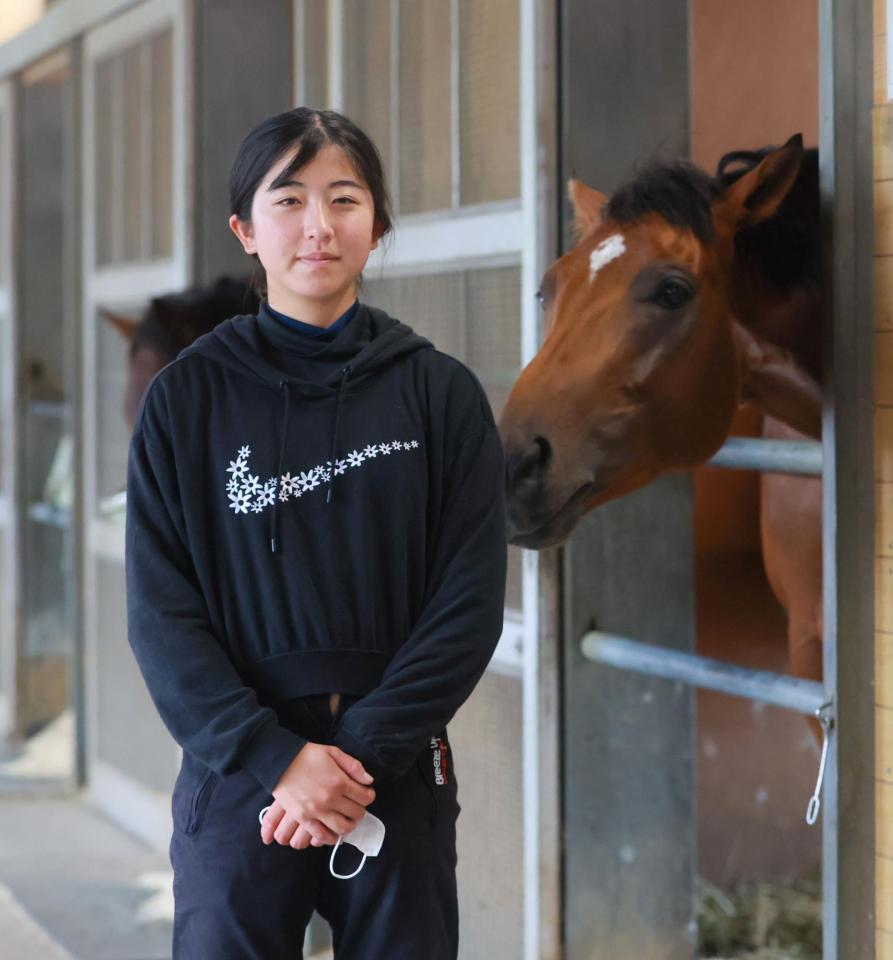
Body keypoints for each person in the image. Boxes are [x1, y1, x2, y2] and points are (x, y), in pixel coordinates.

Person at [125, 107, 507, 959]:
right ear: (245, 230)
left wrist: (357, 758)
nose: (319, 227)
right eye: (289, 200)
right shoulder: (188, 402)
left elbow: (468, 602)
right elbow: (161, 614)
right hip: (239, 774)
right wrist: (276, 758)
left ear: (377, 227)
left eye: (345, 199)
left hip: (397, 768)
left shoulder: (439, 396)